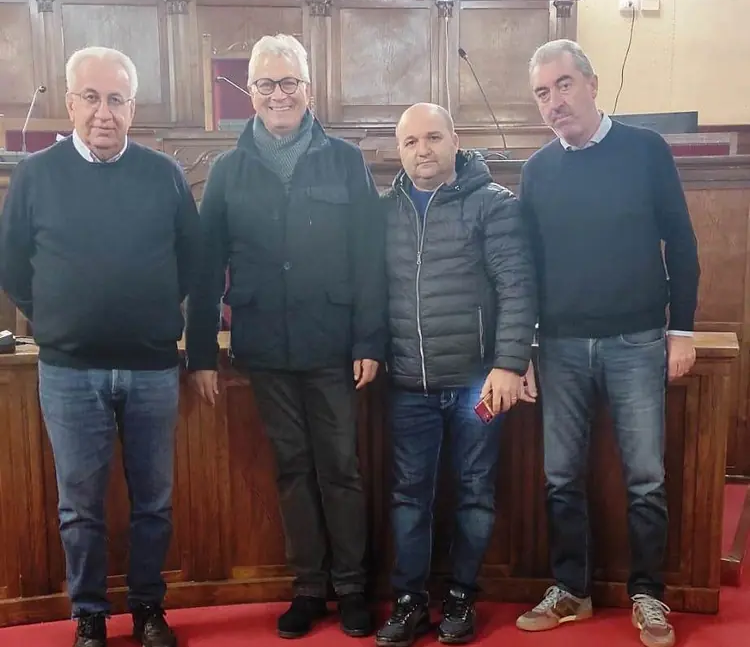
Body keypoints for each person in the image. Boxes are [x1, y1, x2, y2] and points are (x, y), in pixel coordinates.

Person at [185, 33, 386, 639]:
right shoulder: (227, 170)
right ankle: (309, 588)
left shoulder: (344, 160)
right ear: (251, 92)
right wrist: (201, 354)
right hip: (266, 348)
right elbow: (205, 268)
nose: (279, 94)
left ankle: (352, 587)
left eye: (289, 82)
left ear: (308, 89)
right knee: (293, 469)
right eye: (267, 84)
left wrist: (369, 340)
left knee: (341, 468)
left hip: (332, 344)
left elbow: (369, 258)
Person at [0, 46, 201, 647]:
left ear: (132, 108)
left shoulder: (164, 174)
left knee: (154, 502)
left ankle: (148, 609)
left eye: (116, 99)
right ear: (70, 103)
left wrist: (155, 313)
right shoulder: (35, 175)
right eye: (91, 98)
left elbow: (190, 260)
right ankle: (89, 613)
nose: (103, 112)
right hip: (69, 371)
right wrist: (56, 317)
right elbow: (12, 265)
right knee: (79, 506)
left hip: (151, 368)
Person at [515, 39, 700, 647]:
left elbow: (682, 242)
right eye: (543, 93)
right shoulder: (537, 171)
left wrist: (681, 329)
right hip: (560, 347)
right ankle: (572, 589)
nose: (554, 101)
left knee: (645, 477)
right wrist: (524, 351)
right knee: (560, 476)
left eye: (564, 85)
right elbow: (527, 268)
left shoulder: (645, 150)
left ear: (592, 85)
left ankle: (648, 595)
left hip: (637, 341)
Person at [375, 103, 537, 646]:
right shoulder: (385, 210)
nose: (422, 150)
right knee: (409, 497)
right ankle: (409, 601)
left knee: (474, 493)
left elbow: (517, 288)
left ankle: (462, 596)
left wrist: (509, 362)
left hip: (477, 384)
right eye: (410, 142)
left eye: (433, 138)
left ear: (455, 140)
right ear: (399, 151)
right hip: (408, 384)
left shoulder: (493, 204)